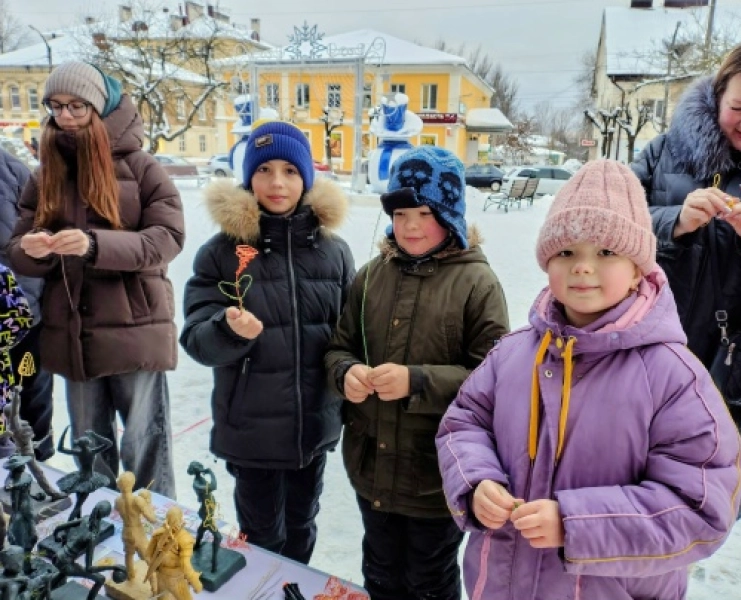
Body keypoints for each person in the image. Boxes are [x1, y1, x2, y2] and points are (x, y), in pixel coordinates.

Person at [436, 159, 741, 600]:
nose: (582, 267)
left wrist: (577, 524)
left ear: (638, 269)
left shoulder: (673, 376)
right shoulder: (512, 353)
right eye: (566, 252)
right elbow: (463, 422)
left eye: (605, 252)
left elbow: (702, 507)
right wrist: (476, 481)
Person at [325, 146, 509, 600]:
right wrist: (345, 372)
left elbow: (493, 379)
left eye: (423, 213)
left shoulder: (477, 283)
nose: (409, 226)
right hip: (372, 467)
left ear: (449, 214)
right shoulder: (370, 277)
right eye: (400, 213)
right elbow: (340, 347)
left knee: (429, 580)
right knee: (380, 571)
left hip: (436, 478)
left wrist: (417, 381)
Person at [630, 34, 741, 517]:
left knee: (711, 502)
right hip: (653, 350)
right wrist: (673, 222)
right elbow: (604, 224)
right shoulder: (665, 151)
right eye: (737, 107)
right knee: (629, 485)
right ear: (717, 94)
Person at [6, 61, 184, 499]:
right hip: (73, 336)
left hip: (134, 332)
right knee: (89, 452)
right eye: (56, 106)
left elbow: (167, 238)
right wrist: (32, 249)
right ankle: (100, 531)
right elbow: (15, 248)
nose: (64, 116)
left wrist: (93, 245)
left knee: (144, 447)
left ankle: (156, 531)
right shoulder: (45, 173)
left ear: (100, 106)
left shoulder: (141, 168)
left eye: (76, 106)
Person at [181, 121, 355, 563]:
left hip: (314, 426)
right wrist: (226, 330)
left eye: (290, 171)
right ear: (248, 178)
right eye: (264, 170)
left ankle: (293, 589)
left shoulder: (334, 252)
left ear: (306, 179)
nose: (277, 183)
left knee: (301, 525)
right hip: (252, 431)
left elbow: (350, 335)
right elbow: (197, 339)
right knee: (261, 537)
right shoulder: (221, 253)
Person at [0, 148, 53, 462]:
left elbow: (41, 230)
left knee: (30, 402)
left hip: (22, 314)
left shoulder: (13, 170)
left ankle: (36, 471)